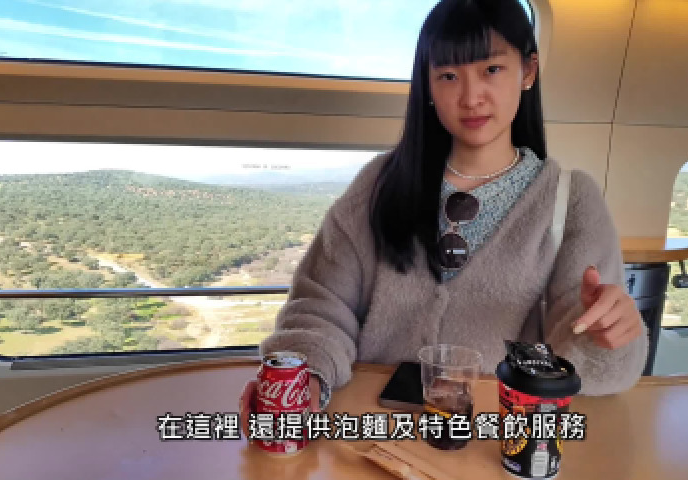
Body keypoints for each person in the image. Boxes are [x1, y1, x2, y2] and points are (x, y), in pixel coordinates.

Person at [240, 0, 648, 423]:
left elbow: (583, 353)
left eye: (491, 69)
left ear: (528, 71)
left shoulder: (572, 200)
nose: (471, 97)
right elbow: (320, 305)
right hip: (373, 425)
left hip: (494, 434)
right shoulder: (379, 184)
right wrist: (305, 378)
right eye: (449, 76)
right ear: (429, 87)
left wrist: (607, 334)